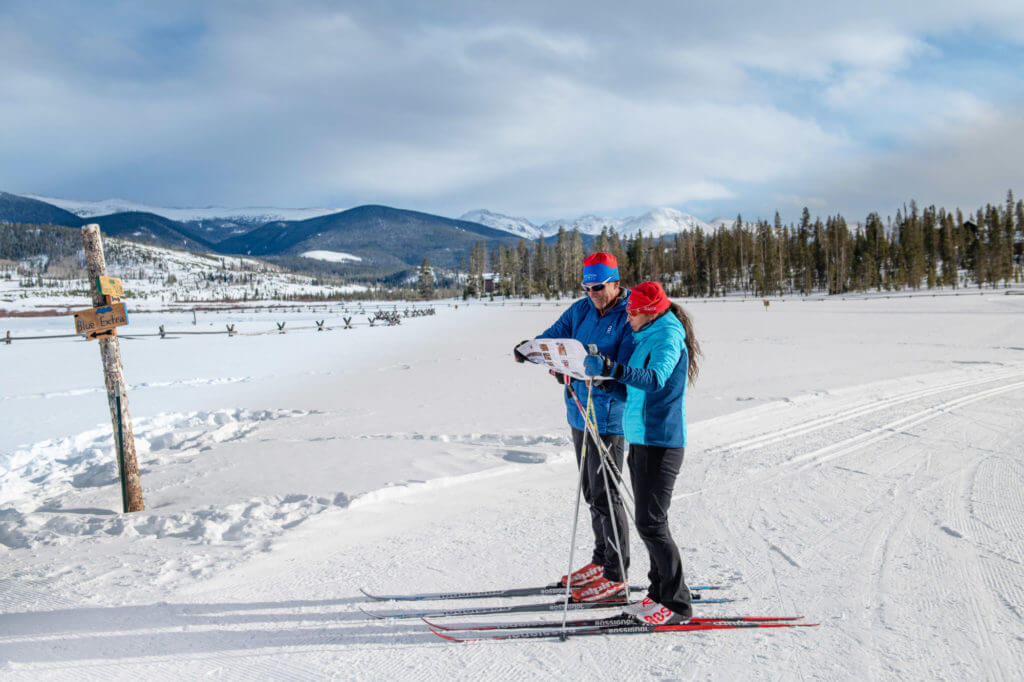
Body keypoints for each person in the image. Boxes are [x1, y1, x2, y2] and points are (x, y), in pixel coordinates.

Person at [513, 252, 634, 602]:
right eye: (587, 287)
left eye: (599, 287)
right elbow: (554, 338)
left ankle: (617, 574)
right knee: (590, 491)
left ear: (615, 281)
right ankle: (601, 560)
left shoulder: (628, 314)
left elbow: (626, 365)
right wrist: (530, 349)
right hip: (578, 410)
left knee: (607, 494)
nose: (593, 293)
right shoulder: (580, 310)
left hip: (609, 415)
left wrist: (603, 373)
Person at [584, 280, 702, 625]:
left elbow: (654, 379)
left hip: (661, 441)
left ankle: (677, 604)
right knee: (647, 522)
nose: (627, 317)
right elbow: (636, 392)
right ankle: (657, 593)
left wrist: (614, 369)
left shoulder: (667, 336)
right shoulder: (646, 334)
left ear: (648, 311)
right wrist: (609, 381)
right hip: (642, 438)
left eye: (632, 312)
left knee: (652, 524)